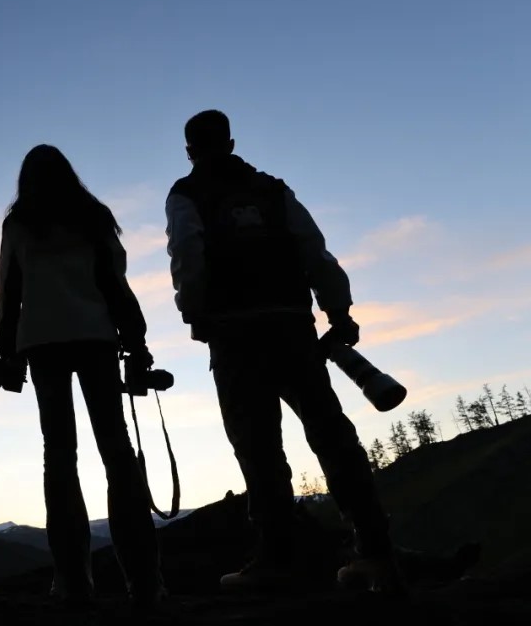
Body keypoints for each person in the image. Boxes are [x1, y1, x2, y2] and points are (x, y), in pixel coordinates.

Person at [164, 109, 403, 592]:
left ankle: (277, 558)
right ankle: (375, 548)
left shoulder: (186, 193)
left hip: (234, 334)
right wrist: (338, 311)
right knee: (332, 434)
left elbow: (187, 252)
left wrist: (194, 313)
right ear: (231, 143)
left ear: (189, 151)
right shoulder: (273, 189)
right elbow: (314, 249)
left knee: (258, 447)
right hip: (293, 326)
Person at [0, 145, 165, 608]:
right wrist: (136, 342)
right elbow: (115, 283)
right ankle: (144, 579)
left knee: (59, 454)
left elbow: (9, 290)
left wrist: (9, 353)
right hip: (96, 338)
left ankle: (72, 581)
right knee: (117, 450)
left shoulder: (20, 223)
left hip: (41, 342)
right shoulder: (93, 217)